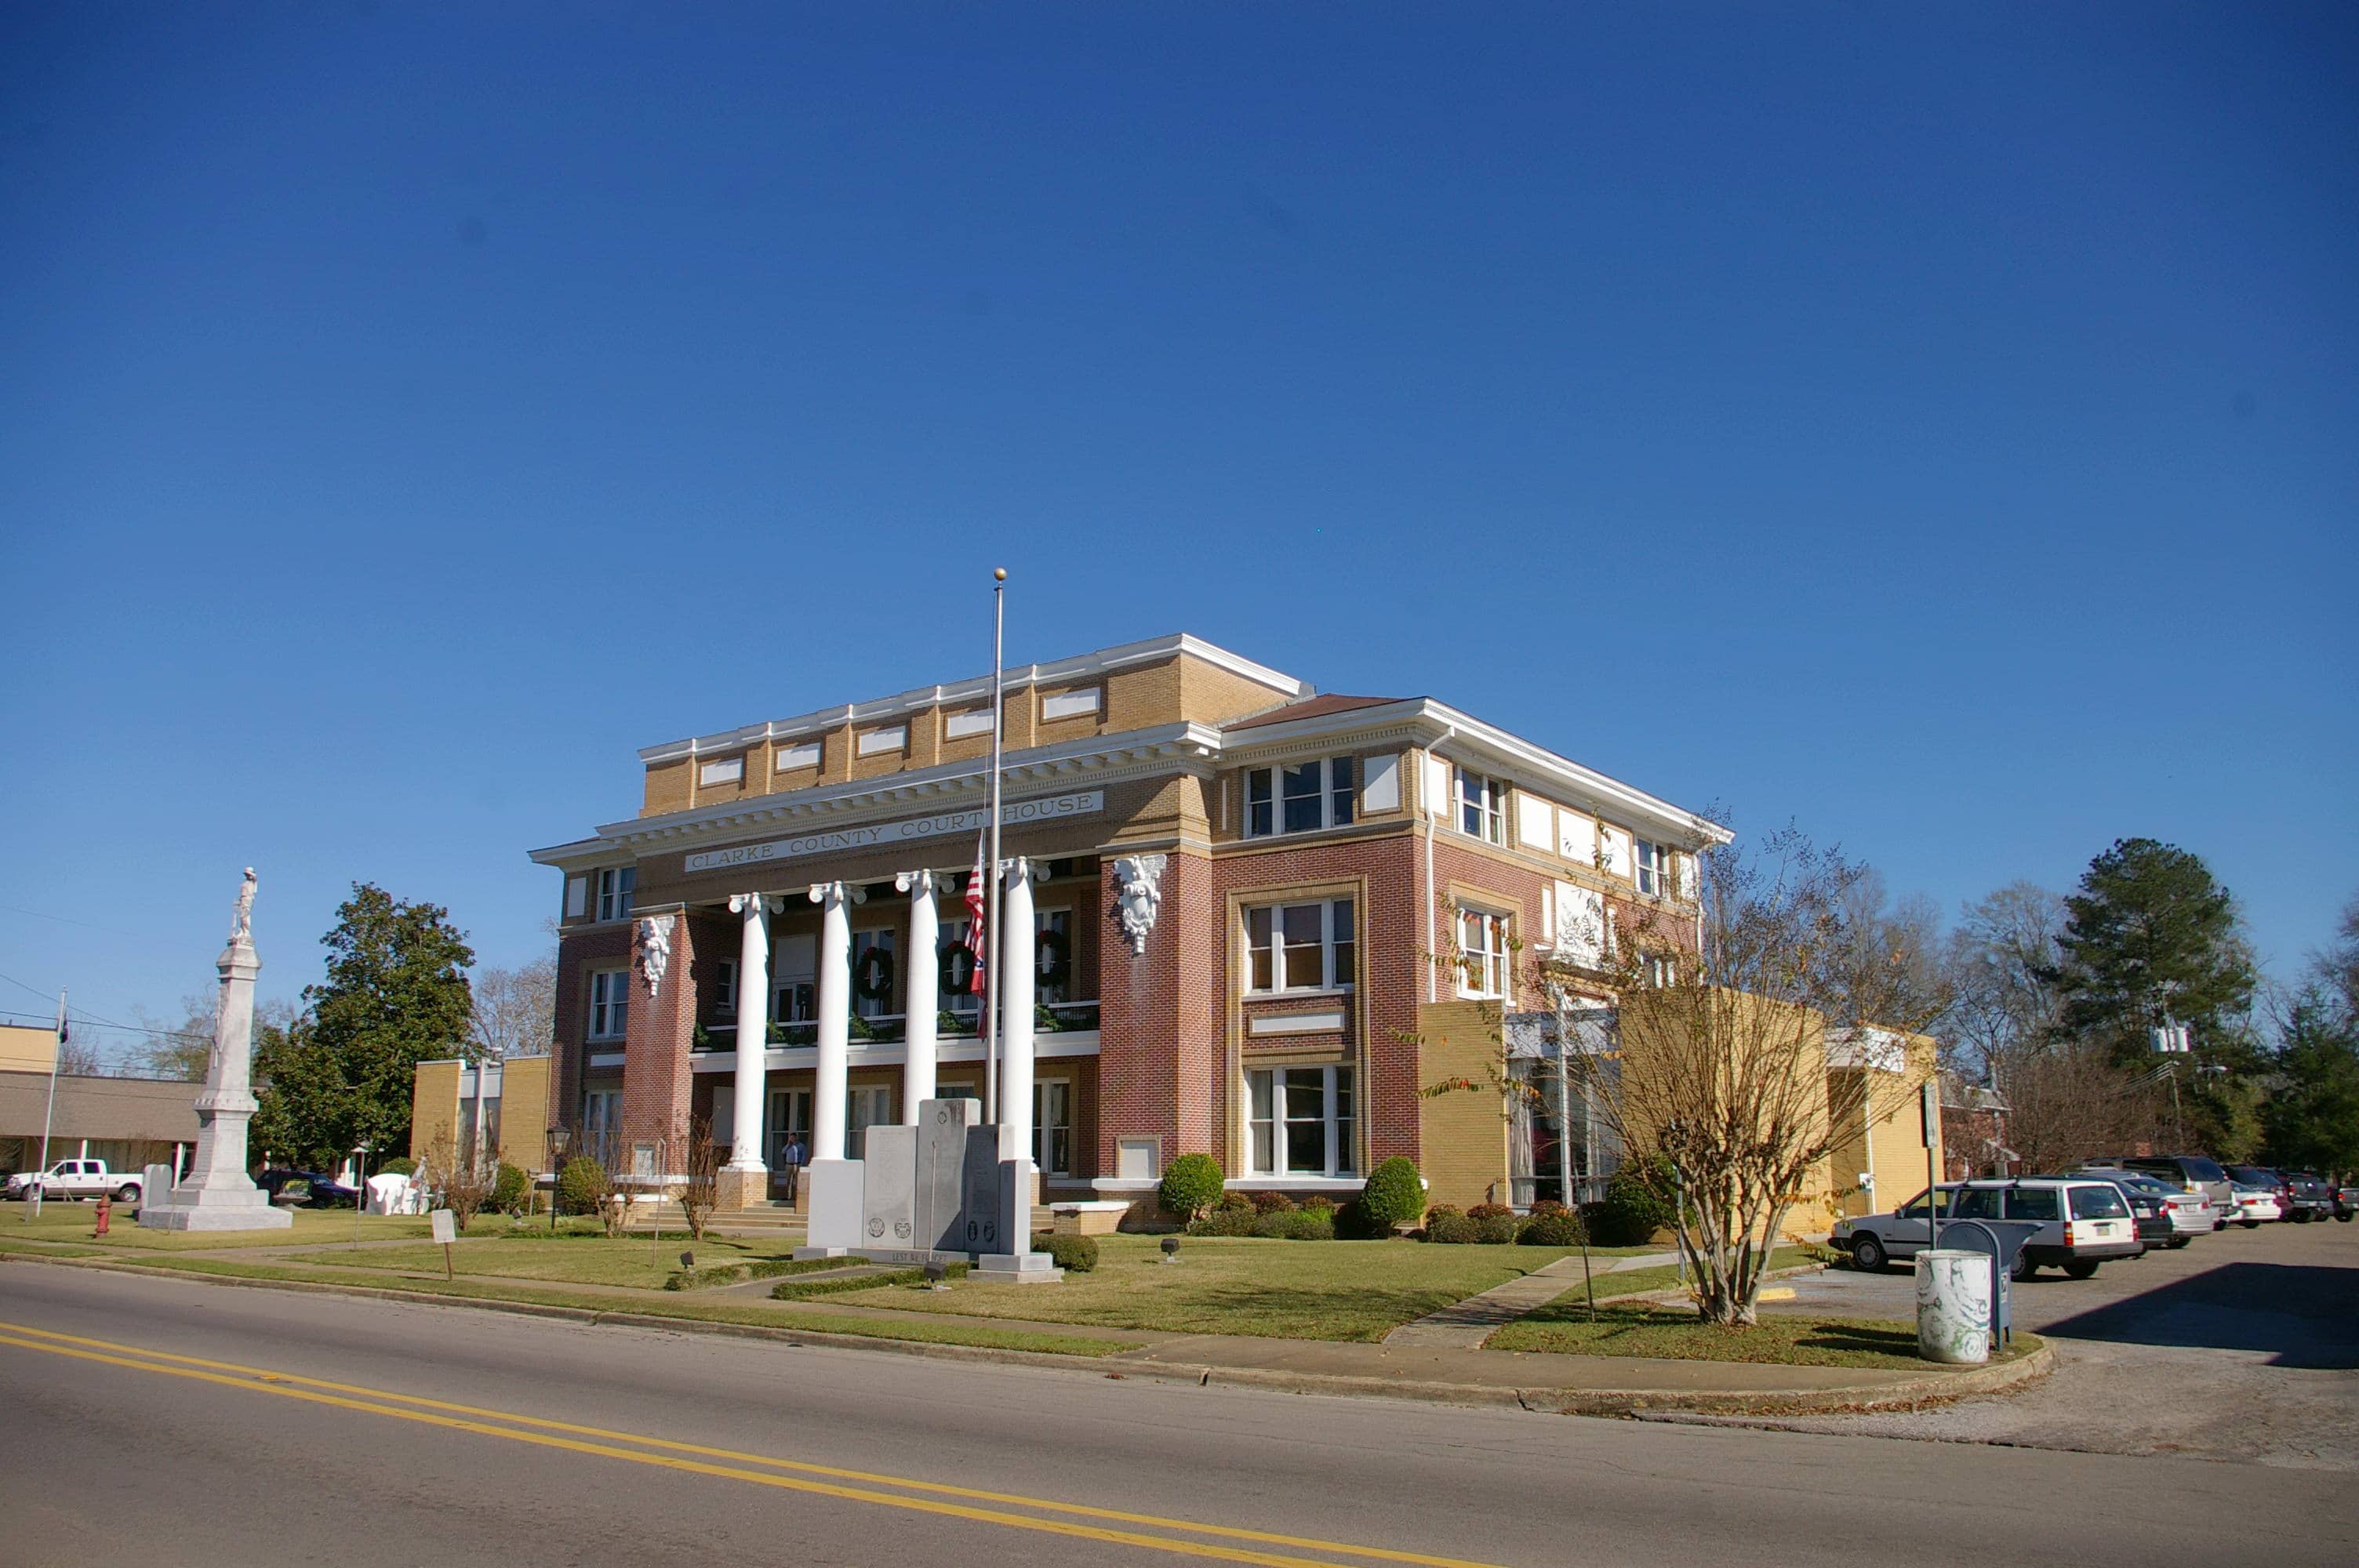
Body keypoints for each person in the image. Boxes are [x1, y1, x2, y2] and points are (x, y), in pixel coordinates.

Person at [781, 1134, 806, 1205]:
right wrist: (788, 1145)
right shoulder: (789, 1146)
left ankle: (796, 1196)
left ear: (796, 1138)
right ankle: (788, 1196)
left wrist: (801, 1165)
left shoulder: (801, 1146)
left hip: (796, 1164)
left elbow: (804, 1155)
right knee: (789, 1181)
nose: (792, 1139)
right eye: (790, 1138)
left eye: (793, 1138)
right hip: (789, 1164)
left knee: (796, 1181)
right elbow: (783, 1152)